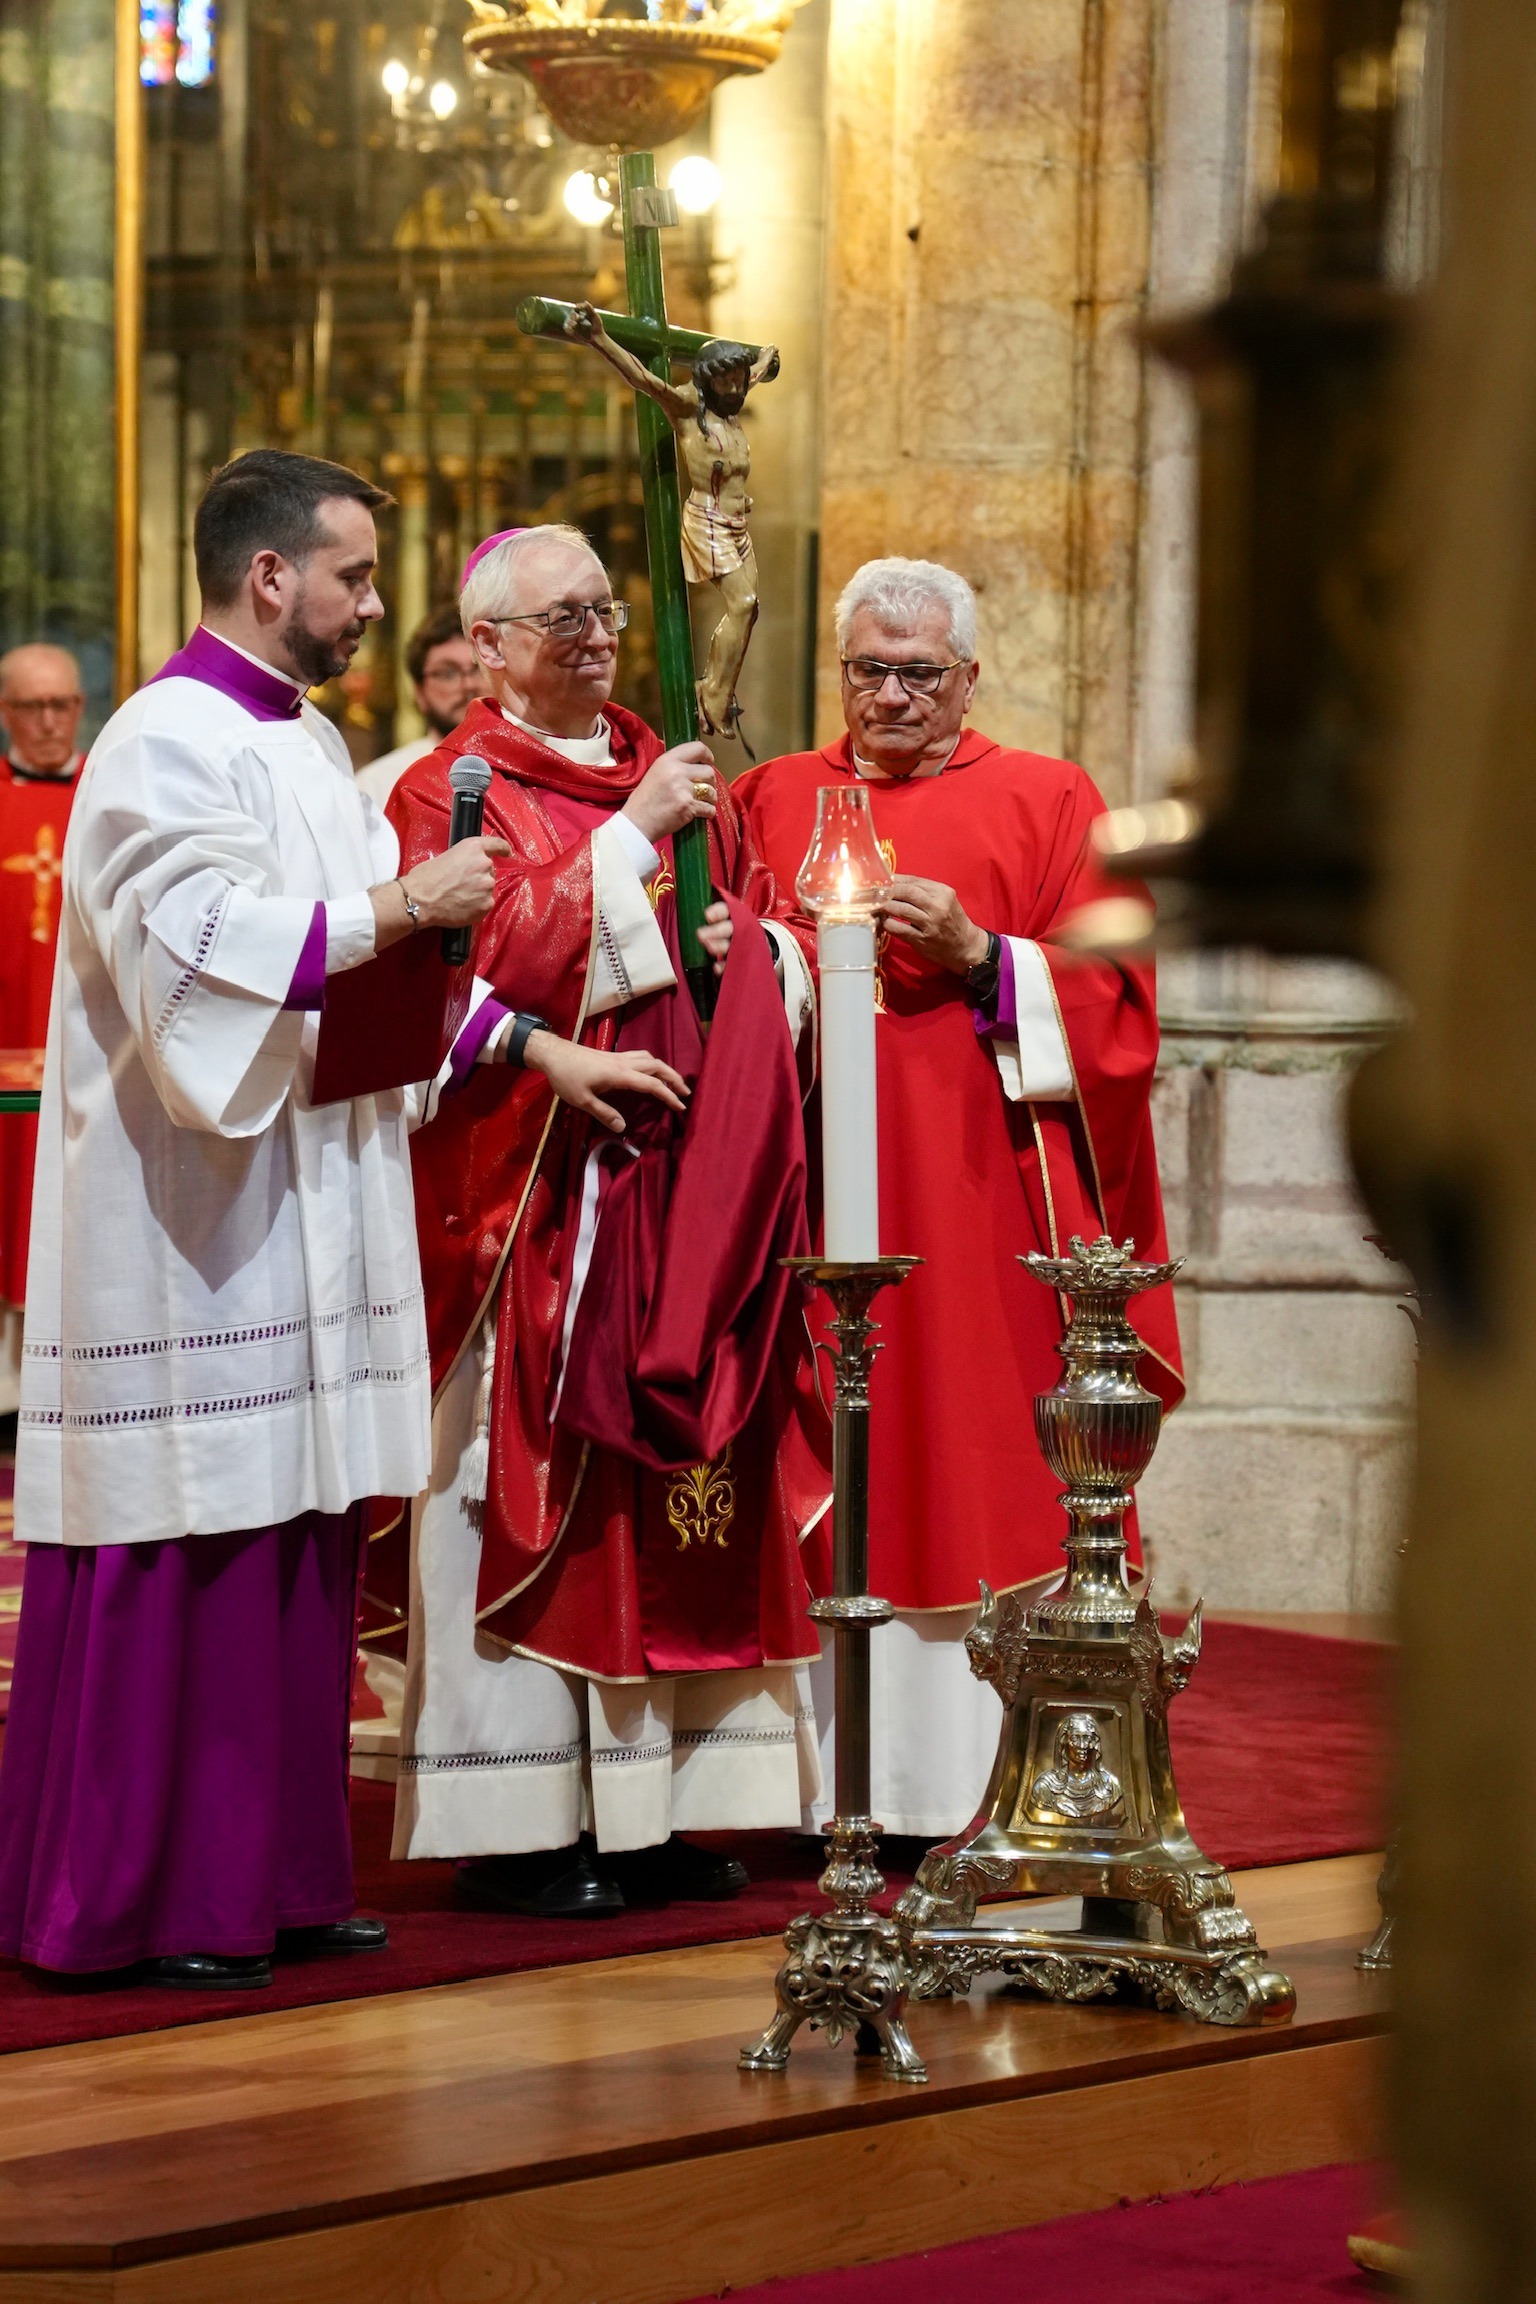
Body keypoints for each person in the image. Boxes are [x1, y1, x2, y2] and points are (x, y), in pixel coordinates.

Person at [0, 453, 684, 1986]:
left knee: (294, 1550)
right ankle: (151, 1900)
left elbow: (395, 973)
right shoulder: (163, 738)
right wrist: (401, 909)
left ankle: (277, 1880)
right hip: (193, 1235)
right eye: (356, 576)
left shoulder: (308, 742)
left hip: (305, 1212)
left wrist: (519, 1038)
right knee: (192, 1552)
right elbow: (198, 957)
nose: (377, 606)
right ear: (269, 577)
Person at [386, 521, 828, 1918]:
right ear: (488, 646)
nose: (596, 635)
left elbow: (772, 941)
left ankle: (659, 1811)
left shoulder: (685, 779)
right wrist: (630, 847)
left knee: (680, 1499)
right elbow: (449, 982)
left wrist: (752, 955)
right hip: (531, 1202)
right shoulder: (449, 787)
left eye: (606, 610)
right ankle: (524, 1821)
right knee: (529, 1503)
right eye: (561, 617)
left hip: (682, 1197)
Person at [735, 555, 1182, 1841]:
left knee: (975, 1466)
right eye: (867, 671)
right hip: (815, 1198)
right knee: (825, 1452)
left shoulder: (1051, 801)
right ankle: (816, 1794)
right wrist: (775, 958)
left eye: (919, 674)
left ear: (969, 677)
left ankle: (983, 1785)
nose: (890, 697)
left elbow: (1121, 1009)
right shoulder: (775, 798)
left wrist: (986, 957)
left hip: (983, 1204)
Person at [567, 308, 778, 739]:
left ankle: (717, 687)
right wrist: (600, 338)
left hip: (738, 524)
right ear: (707, 380)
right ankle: (714, 694)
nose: (736, 387)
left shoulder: (731, 406)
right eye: (726, 380)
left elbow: (753, 375)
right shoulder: (687, 409)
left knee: (750, 608)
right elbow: (645, 380)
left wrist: (764, 359)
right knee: (741, 603)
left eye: (739, 380)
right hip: (709, 522)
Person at [0, 645, 87, 1316]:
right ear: (6, 712)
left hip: (83, 1060)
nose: (51, 722)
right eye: (34, 707)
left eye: (62, 704)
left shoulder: (108, 798)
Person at [355, 603, 487, 809]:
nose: (468, 684)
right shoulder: (379, 783)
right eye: (448, 673)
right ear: (419, 692)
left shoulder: (527, 772)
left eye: (478, 668)